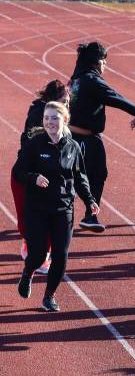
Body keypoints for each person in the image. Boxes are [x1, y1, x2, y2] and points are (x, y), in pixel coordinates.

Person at [14, 102, 98, 312]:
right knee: (38, 255)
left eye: (54, 118)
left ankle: (49, 296)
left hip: (63, 209)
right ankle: (28, 272)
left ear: (65, 120)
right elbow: (18, 171)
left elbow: (80, 177)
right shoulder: (35, 144)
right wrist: (34, 177)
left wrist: (89, 200)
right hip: (37, 209)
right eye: (46, 118)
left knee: (61, 256)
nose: (49, 122)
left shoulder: (73, 147)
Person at [67, 41, 135, 233]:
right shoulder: (93, 81)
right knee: (88, 176)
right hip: (85, 139)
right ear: (97, 62)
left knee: (83, 175)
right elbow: (116, 98)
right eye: (104, 61)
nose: (106, 65)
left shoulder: (77, 78)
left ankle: (87, 214)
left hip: (75, 136)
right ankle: (89, 214)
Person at [14, 80, 69, 270]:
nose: (67, 105)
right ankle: (34, 249)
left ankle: (42, 252)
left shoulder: (62, 122)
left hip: (53, 177)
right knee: (30, 217)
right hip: (29, 175)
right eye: (64, 101)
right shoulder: (39, 118)